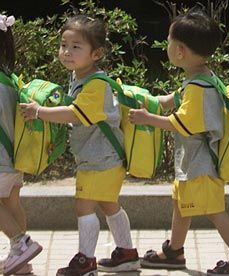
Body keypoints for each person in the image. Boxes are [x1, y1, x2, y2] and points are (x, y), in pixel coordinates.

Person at [128, 9, 229, 276]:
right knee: (181, 204)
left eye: (169, 40)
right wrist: (149, 100)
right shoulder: (201, 77)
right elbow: (171, 100)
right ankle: (174, 251)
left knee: (215, 212)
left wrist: (147, 118)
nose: (167, 45)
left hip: (201, 165)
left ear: (180, 51)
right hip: (193, 161)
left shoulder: (198, 87)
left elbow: (180, 122)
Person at [19, 15, 140, 276]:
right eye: (64, 45)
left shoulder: (96, 84)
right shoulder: (81, 76)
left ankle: (86, 261)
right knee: (109, 205)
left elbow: (75, 114)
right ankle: (127, 254)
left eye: (76, 47)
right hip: (103, 157)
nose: (67, 52)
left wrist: (39, 112)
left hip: (100, 159)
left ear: (97, 53)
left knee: (83, 206)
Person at [0, 14, 43, 276]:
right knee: (13, 204)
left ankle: (20, 242)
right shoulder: (10, 78)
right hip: (15, 158)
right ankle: (21, 261)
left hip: (0, 159)